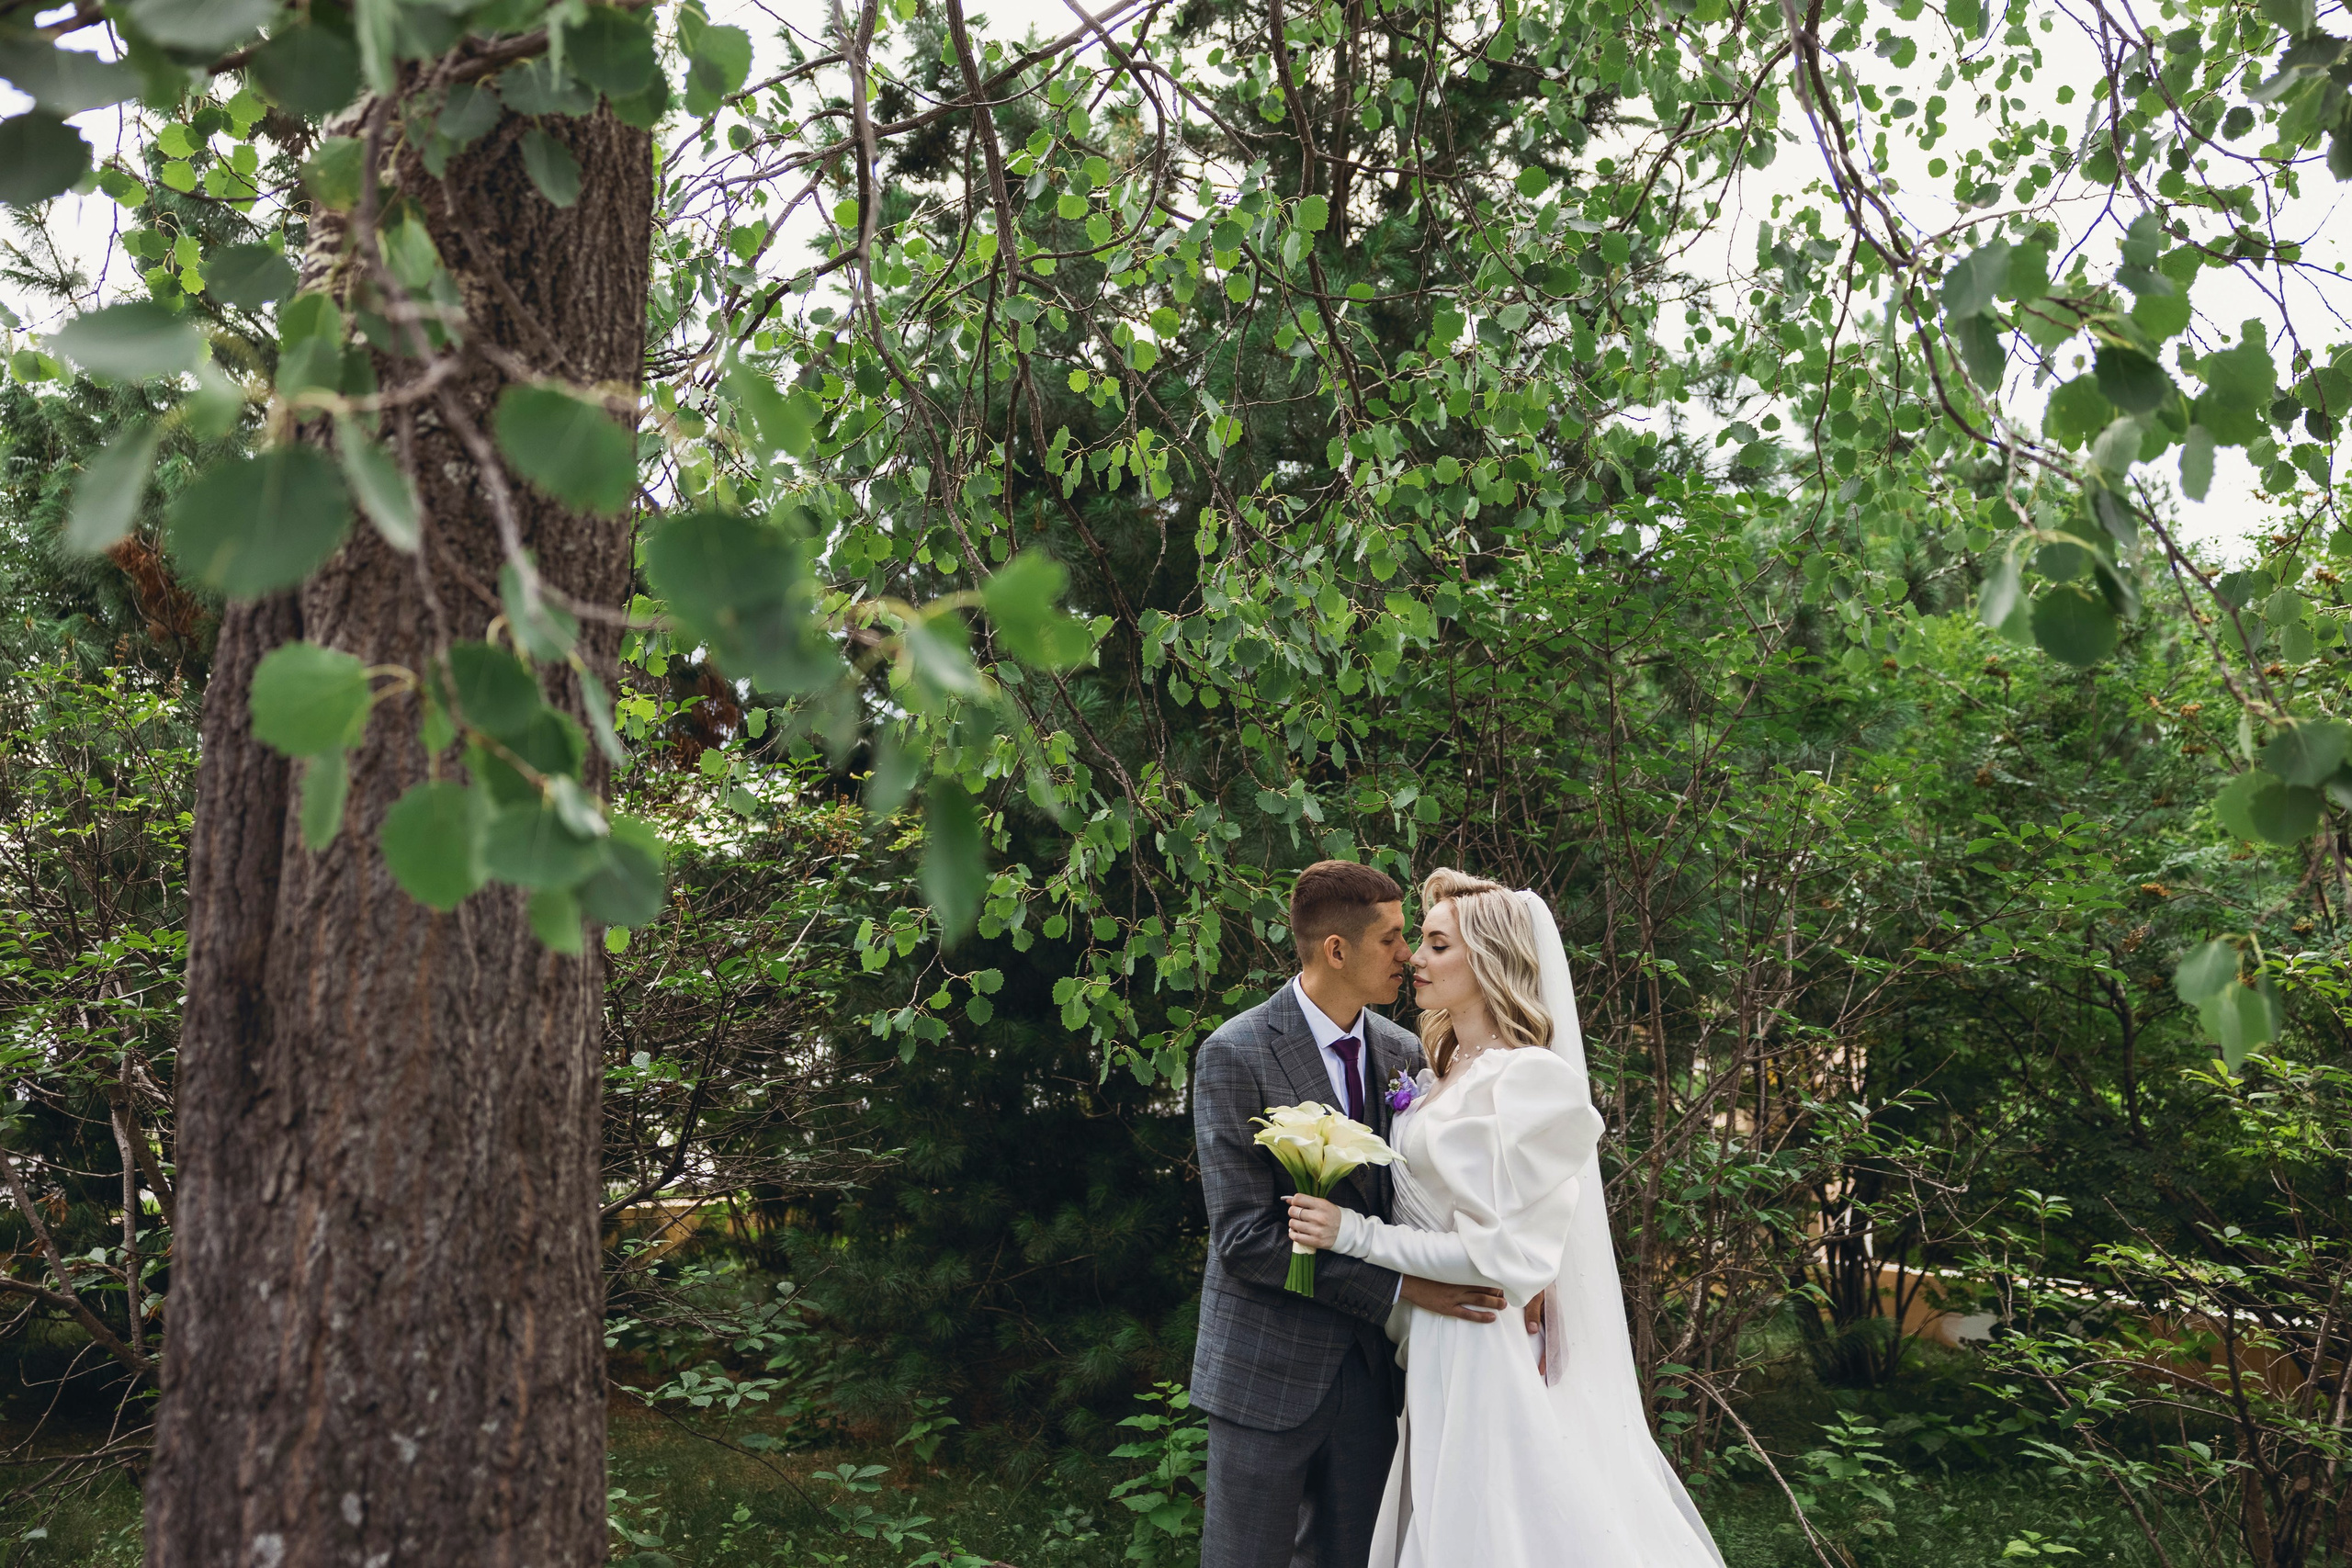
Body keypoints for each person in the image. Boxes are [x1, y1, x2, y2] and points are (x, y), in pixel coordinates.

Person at [1283, 868, 1725, 1568]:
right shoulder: (1434, 1070)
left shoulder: (1527, 1078)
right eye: (1420, 941)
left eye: (1437, 945)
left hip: (1481, 1337)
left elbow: (1498, 1257)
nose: (1414, 957)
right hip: (1429, 1342)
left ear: (1489, 961)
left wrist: (1353, 1233)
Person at [1192, 860, 1514, 1568]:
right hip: (1265, 1371)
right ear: (1336, 949)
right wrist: (1403, 1289)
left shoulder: (1405, 1054)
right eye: (1392, 938)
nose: (1409, 954)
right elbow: (1245, 1239)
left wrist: (1524, 1272)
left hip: (1373, 1376)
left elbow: (1433, 1194)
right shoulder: (1235, 1053)